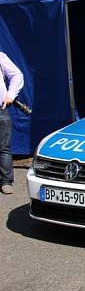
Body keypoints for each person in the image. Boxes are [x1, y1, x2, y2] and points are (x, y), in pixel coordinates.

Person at [0, 51, 24, 194]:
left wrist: (10, 94)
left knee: (3, 148)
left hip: (0, 110)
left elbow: (17, 75)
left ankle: (6, 182)